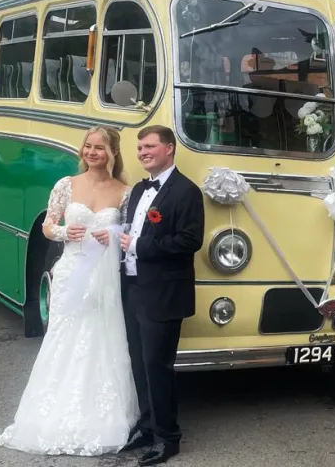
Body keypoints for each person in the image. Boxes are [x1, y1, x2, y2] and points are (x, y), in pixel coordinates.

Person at [0, 126, 140, 456]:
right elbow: (47, 226)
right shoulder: (66, 185)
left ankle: (101, 415)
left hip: (103, 278)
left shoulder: (124, 191)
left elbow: (130, 231)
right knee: (65, 339)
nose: (92, 152)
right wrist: (63, 232)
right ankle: (51, 412)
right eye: (88, 146)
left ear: (112, 152)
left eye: (99, 148)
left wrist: (113, 233)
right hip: (71, 272)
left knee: (101, 340)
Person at [118, 125, 205, 466]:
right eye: (140, 147)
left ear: (169, 149)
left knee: (158, 366)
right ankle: (147, 426)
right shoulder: (140, 189)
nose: (142, 152)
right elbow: (131, 231)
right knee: (138, 362)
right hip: (134, 287)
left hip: (165, 293)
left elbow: (190, 241)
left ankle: (168, 438)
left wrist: (141, 245)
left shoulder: (186, 192)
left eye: (150, 146)